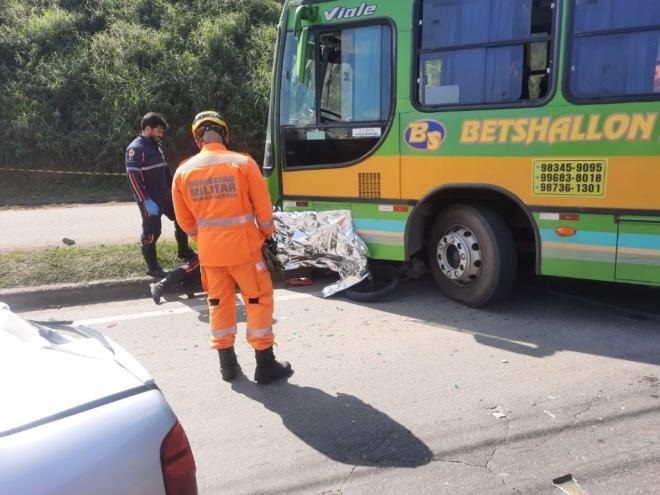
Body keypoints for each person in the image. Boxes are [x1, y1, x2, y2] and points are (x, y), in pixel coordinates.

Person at [172, 110, 293, 385]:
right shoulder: (243, 164)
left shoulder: (183, 172)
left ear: (197, 137)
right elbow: (263, 210)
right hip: (246, 252)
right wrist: (267, 235)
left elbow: (186, 223)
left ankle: (228, 366)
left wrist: (204, 239)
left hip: (211, 255)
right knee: (257, 302)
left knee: (219, 305)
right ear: (224, 133)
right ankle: (265, 365)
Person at [125, 112, 195, 278]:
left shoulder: (156, 145)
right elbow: (133, 178)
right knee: (152, 233)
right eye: (158, 131)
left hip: (166, 196)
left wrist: (175, 189)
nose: (160, 134)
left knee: (182, 219)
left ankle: (184, 252)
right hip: (149, 199)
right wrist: (145, 199)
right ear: (148, 128)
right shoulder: (135, 149)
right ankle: (153, 267)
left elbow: (164, 170)